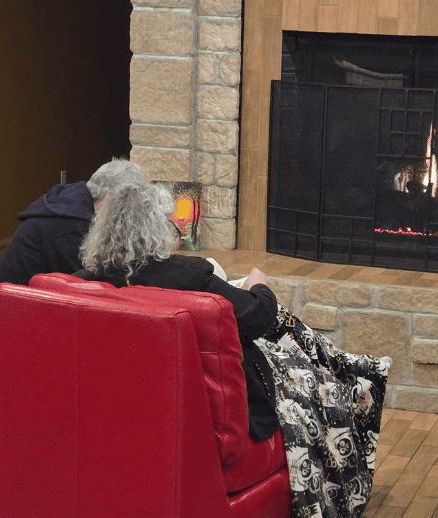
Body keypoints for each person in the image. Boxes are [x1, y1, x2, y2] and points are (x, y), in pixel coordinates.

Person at [76, 171, 390, 518]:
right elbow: (259, 316)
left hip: (128, 415)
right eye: (171, 226)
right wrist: (259, 285)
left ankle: (349, 370)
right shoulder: (189, 277)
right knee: (321, 377)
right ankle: (355, 379)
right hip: (226, 411)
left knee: (300, 350)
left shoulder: (81, 286)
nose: (176, 237)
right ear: (154, 229)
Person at [0, 158, 144, 286]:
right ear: (110, 199)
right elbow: (86, 285)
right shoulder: (71, 225)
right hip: (20, 304)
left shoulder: (73, 204)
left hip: (32, 296)